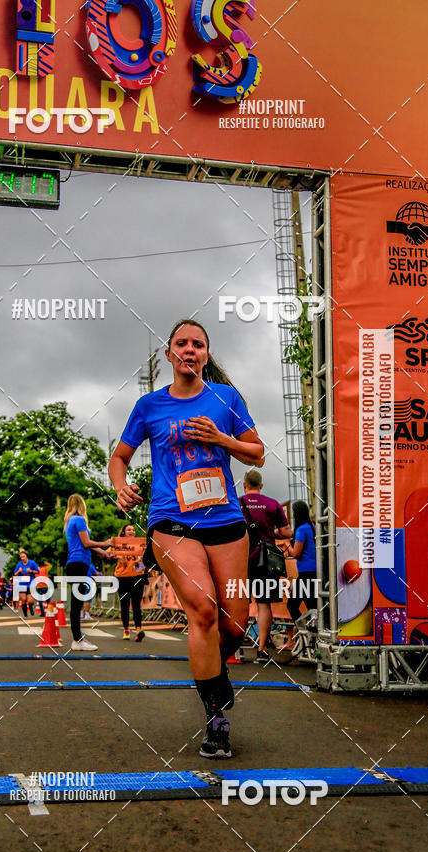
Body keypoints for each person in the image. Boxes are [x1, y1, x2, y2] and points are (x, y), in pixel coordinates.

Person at [109, 319, 264, 758]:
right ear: (170, 354)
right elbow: (120, 457)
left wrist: (221, 438)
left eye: (198, 344)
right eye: (182, 343)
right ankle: (216, 717)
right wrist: (120, 486)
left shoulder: (225, 399)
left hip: (226, 522)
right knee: (201, 609)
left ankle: (215, 676)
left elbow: (258, 452)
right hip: (171, 521)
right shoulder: (149, 405)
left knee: (234, 622)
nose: (190, 350)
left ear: (206, 355)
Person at [239, 469, 292, 661]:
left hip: (240, 559)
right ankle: (262, 649)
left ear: (245, 485)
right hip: (266, 560)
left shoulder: (237, 504)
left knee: (239, 602)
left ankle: (237, 646)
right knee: (263, 604)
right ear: (261, 486)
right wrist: (272, 535)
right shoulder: (272, 504)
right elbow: (286, 532)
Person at [64, 494, 113, 651]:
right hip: (79, 563)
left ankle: (77, 639)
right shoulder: (79, 520)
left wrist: (103, 552)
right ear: (82, 505)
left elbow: (86, 545)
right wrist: (105, 543)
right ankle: (77, 639)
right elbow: (86, 543)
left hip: (76, 562)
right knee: (77, 602)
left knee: (77, 601)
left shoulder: (70, 521)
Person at [285, 500, 318, 649]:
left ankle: (305, 633)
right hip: (316, 571)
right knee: (313, 607)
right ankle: (315, 636)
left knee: (292, 605)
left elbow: (296, 553)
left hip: (305, 573)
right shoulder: (314, 527)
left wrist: (287, 545)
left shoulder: (301, 530)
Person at [114, 524, 147, 641]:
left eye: (133, 530)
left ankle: (139, 630)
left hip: (137, 576)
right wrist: (118, 557)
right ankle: (126, 630)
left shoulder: (140, 544)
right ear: (123, 532)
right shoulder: (117, 543)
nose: (132, 531)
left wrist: (139, 561)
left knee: (136, 605)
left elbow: (143, 563)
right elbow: (107, 554)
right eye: (129, 530)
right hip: (122, 577)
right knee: (125, 604)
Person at [13, 549, 40, 617]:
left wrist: (30, 571)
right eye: (21, 557)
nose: (22, 558)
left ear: (26, 556)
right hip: (22, 584)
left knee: (30, 601)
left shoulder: (32, 563)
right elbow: (15, 574)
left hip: (30, 584)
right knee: (23, 599)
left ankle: (31, 607)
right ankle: (25, 614)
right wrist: (19, 571)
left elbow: (37, 571)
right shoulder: (19, 564)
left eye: (23, 556)